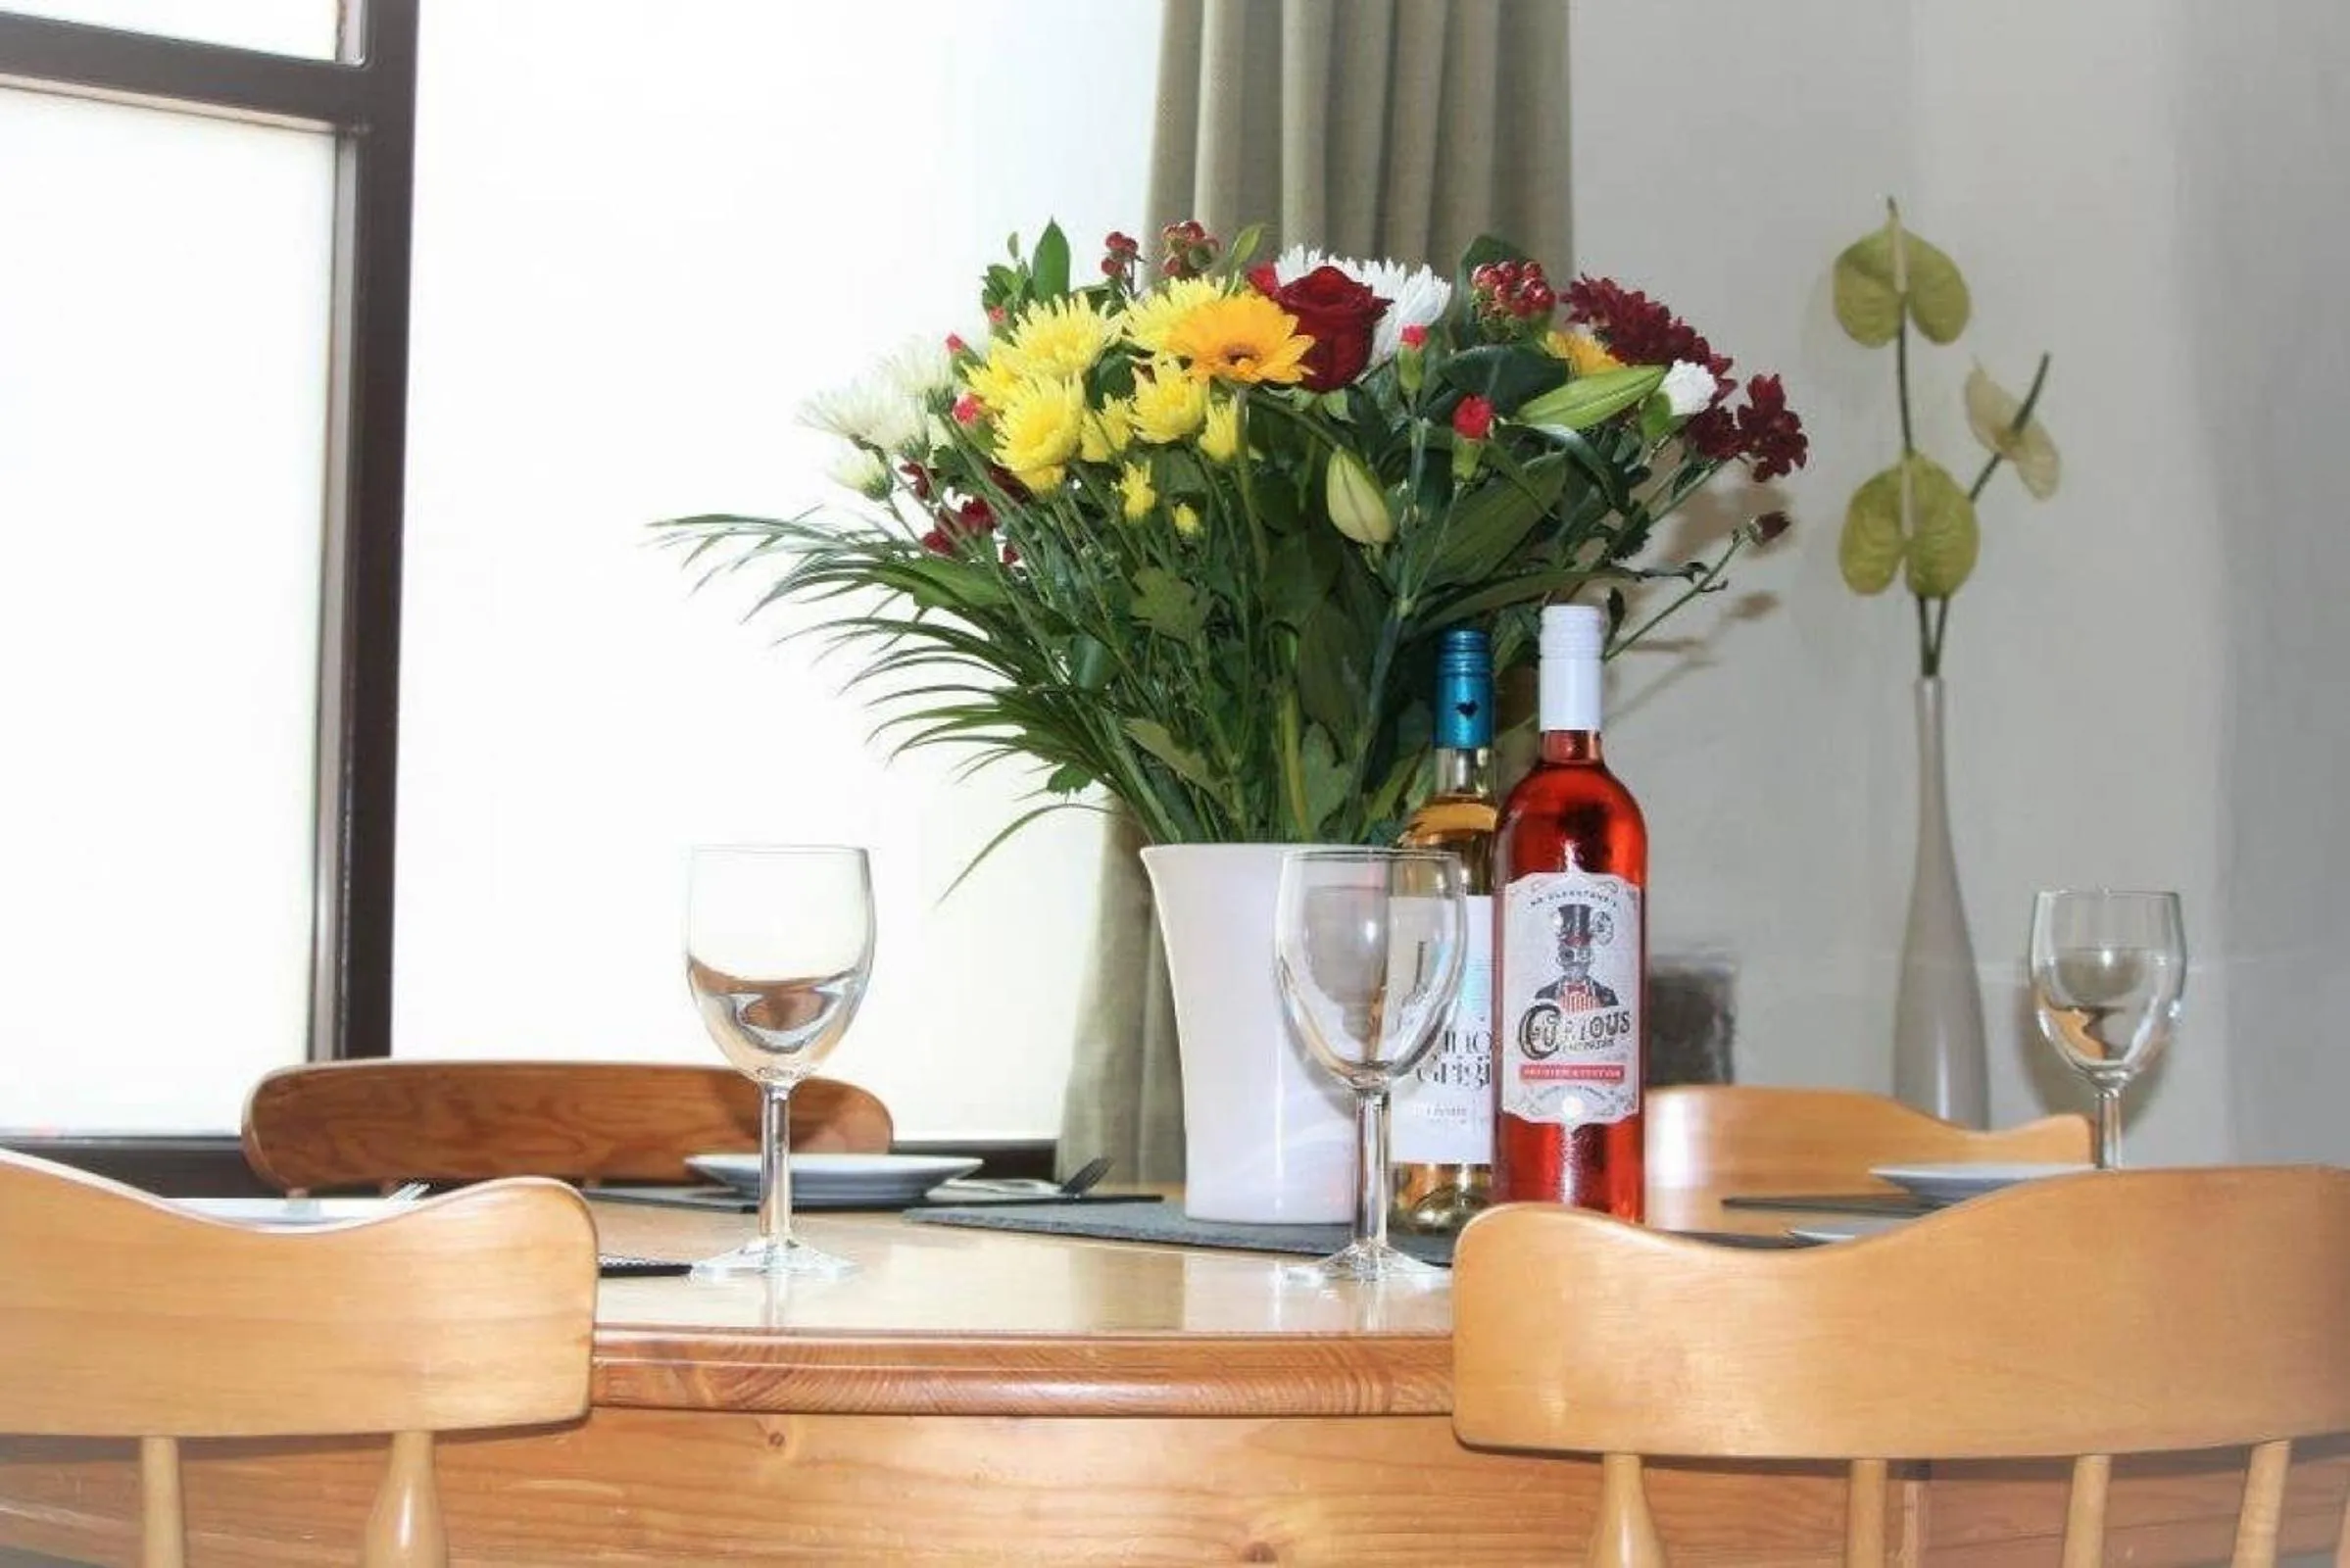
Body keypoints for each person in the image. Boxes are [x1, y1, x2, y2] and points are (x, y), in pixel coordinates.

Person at [1535, 903, 1620, 1010]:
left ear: (1591, 957)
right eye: (1568, 955)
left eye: (1583, 954)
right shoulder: (1544, 995)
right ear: (1559, 959)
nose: (1576, 962)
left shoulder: (1607, 996)